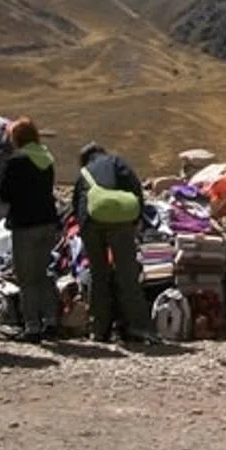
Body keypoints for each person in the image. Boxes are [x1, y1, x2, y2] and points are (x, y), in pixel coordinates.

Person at [73, 142, 155, 344]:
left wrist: (84, 228)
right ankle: (138, 327)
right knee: (127, 273)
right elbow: (136, 190)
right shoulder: (117, 162)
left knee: (98, 273)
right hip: (121, 222)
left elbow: (77, 203)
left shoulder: (85, 172)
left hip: (91, 221)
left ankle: (99, 329)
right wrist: (135, 220)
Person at [0, 118, 61, 344]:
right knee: (43, 273)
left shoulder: (15, 161)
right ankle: (51, 321)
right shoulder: (46, 159)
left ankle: (32, 326)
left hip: (25, 224)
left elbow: (4, 194)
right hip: (48, 221)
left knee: (26, 277)